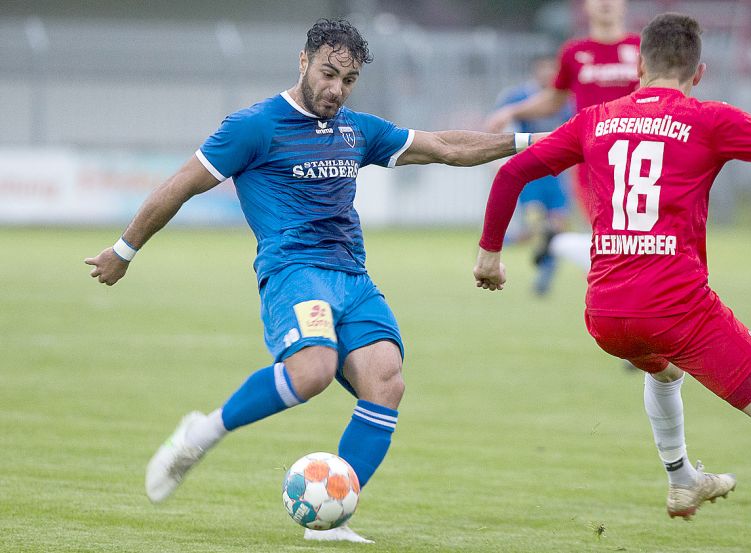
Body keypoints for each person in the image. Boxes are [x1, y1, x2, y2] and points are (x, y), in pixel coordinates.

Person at [473, 13, 751, 553]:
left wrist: (490, 258)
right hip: (675, 306)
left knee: (663, 371)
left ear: (639, 65)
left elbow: (511, 173)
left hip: (606, 312)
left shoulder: (596, 119)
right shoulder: (709, 119)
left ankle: (681, 478)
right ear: (699, 72)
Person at [84, 18, 539, 544]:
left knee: (387, 382)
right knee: (313, 370)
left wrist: (534, 140)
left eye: (347, 81)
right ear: (303, 62)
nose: (335, 90)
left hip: (353, 276)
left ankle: (331, 519)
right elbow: (179, 186)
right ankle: (199, 435)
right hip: (295, 273)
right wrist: (124, 250)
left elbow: (443, 145)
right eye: (328, 74)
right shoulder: (254, 126)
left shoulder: (356, 129)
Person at [487, 0, 640, 277]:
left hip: (640, 159)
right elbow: (554, 99)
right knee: (612, 237)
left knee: (634, 240)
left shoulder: (642, 49)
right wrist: (511, 110)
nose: (606, 2)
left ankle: (559, 243)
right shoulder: (575, 52)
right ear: (585, 6)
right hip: (593, 162)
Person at [493, 54, 573, 295]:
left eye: (552, 69)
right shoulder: (518, 98)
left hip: (558, 175)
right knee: (536, 225)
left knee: (557, 227)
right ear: (535, 70)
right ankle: (498, 243)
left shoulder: (566, 100)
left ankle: (545, 275)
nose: (548, 74)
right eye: (544, 68)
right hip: (531, 172)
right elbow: (501, 123)